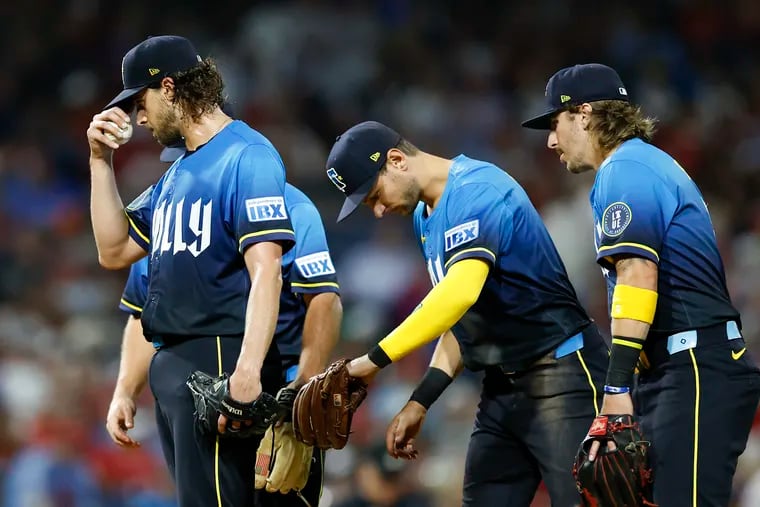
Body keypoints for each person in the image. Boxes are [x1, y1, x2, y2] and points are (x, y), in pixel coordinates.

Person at [322, 120, 609, 506]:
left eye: (374, 195)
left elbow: (459, 294)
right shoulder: (426, 215)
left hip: (563, 374)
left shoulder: (477, 190)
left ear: (396, 160)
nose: (376, 211)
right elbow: (462, 319)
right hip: (502, 388)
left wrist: (373, 361)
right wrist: (420, 400)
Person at [522, 62, 760, 506]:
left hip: (692, 366)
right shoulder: (635, 166)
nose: (551, 140)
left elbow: (637, 274)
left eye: (555, 123)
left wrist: (615, 389)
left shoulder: (626, 169)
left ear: (585, 114)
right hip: (680, 366)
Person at [87, 34, 308, 506]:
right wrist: (100, 161)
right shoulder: (176, 174)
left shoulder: (245, 155)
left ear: (168, 87)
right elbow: (114, 249)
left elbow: (267, 269)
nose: (138, 117)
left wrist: (247, 370)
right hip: (177, 363)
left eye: (140, 101)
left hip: (220, 361)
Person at [105, 142, 342, 506]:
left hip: (277, 392)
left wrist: (300, 392)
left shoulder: (291, 205)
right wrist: (125, 390)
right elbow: (142, 309)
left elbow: (323, 300)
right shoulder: (169, 207)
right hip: (208, 392)